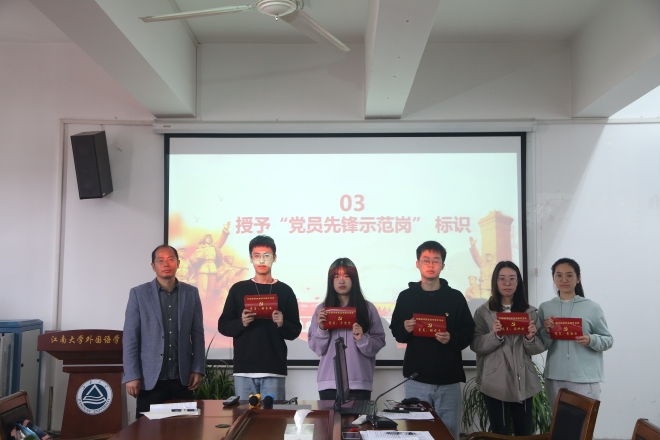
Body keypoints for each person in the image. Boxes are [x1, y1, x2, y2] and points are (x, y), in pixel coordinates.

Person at [390, 241, 475, 440]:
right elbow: (396, 331)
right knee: (417, 434)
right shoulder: (406, 297)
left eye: (436, 260)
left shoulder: (455, 297)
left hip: (449, 380)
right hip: (416, 379)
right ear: (417, 264)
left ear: (443, 265)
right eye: (426, 260)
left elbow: (469, 332)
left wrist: (452, 338)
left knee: (449, 434)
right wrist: (405, 328)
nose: (430, 264)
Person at [122, 245, 205, 418]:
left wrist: (197, 369)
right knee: (146, 430)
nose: (166, 264)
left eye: (170, 259)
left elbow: (198, 335)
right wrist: (131, 375)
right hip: (149, 379)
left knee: (183, 428)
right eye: (160, 260)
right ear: (153, 266)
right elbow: (130, 338)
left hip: (182, 379)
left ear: (178, 263)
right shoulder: (138, 294)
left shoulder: (191, 293)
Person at [218, 235, 302, 400]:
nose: (261, 260)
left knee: (273, 416)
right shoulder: (238, 289)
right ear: (251, 259)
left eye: (266, 255)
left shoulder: (285, 291)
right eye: (257, 256)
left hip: (274, 369)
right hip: (244, 369)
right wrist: (241, 323)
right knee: (244, 415)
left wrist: (282, 323)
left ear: (274, 258)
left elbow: (295, 330)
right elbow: (223, 326)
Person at [471, 261, 546, 435]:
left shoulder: (529, 312)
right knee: (500, 432)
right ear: (495, 282)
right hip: (495, 381)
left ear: (518, 282)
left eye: (512, 278)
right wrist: (495, 335)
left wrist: (530, 338)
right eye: (502, 279)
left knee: (524, 433)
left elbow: (538, 348)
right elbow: (475, 344)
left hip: (523, 380)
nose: (507, 283)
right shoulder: (483, 312)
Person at [538, 258, 613, 409]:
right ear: (553, 278)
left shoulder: (592, 307)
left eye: (569, 275)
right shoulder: (545, 308)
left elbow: (608, 340)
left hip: (585, 378)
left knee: (584, 423)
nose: (564, 280)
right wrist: (546, 331)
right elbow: (541, 344)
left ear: (578, 278)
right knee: (558, 422)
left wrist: (591, 340)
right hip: (554, 377)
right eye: (559, 275)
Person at [308, 258, 386, 401]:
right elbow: (317, 348)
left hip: (360, 383)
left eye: (346, 276)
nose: (341, 281)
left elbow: (378, 343)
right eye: (336, 277)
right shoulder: (322, 309)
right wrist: (322, 329)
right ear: (331, 281)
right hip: (328, 384)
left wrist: (362, 338)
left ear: (354, 279)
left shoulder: (368, 308)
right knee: (330, 417)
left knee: (360, 417)